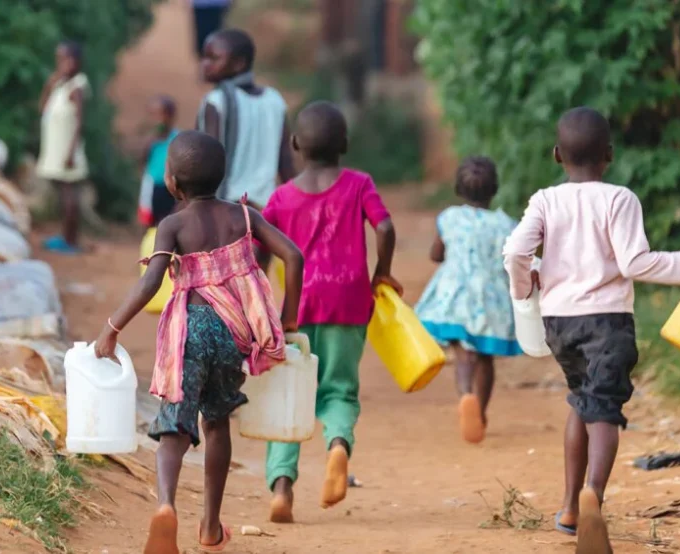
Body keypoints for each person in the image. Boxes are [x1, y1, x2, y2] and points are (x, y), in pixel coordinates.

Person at [502, 107, 680, 554]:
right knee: (603, 411)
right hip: (607, 322)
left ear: (556, 154)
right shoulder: (620, 199)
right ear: (609, 154)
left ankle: (568, 507)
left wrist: (526, 290)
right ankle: (593, 501)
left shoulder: (545, 199)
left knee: (581, 403)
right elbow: (635, 263)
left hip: (559, 324)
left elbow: (514, 253)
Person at [94, 131, 304, 554]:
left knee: (175, 422)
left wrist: (111, 328)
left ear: (171, 183)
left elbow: (151, 281)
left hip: (188, 332)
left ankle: (167, 506)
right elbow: (294, 257)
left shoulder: (171, 225)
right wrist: (288, 318)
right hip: (233, 335)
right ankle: (210, 525)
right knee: (216, 422)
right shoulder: (243, 217)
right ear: (222, 176)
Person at [260, 101, 399, 523]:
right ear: (345, 144)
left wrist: (261, 295)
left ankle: (282, 488)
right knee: (338, 389)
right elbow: (386, 227)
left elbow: (259, 248)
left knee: (288, 397)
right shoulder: (359, 184)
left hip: (296, 307)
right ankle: (338, 445)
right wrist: (382, 273)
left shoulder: (282, 197)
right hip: (349, 302)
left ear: (295, 145)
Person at [414, 156, 522, 445]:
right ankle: (481, 413)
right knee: (485, 357)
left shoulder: (450, 217)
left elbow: (437, 254)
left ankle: (466, 395)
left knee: (463, 352)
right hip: (491, 299)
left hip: (455, 296)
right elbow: (513, 263)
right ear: (495, 189)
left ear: (458, 188)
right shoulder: (506, 225)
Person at [198, 28, 296, 271]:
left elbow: (206, 161)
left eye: (213, 58)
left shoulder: (216, 102)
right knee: (257, 286)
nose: (205, 64)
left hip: (227, 209)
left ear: (239, 63)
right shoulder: (274, 100)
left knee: (223, 286)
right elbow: (285, 162)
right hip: (266, 212)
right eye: (204, 57)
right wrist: (297, 206)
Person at [38, 40, 90, 254]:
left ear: (78, 61)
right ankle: (65, 236)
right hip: (57, 150)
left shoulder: (76, 87)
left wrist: (70, 153)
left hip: (68, 152)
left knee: (70, 197)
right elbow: (42, 109)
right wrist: (49, 85)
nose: (64, 64)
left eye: (69, 59)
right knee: (63, 195)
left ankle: (71, 241)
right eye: (60, 60)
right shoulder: (59, 84)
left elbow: (79, 121)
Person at [138, 95, 180, 227]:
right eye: (152, 115)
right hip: (152, 185)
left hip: (171, 187)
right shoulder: (150, 140)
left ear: (170, 116)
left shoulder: (177, 138)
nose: (156, 120)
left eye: (159, 115)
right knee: (149, 220)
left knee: (170, 219)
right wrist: (148, 142)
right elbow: (141, 159)